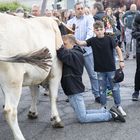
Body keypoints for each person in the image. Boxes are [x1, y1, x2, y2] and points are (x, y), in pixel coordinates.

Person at [57, 34, 125, 123]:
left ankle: (110, 115)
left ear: (73, 44)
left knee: (83, 118)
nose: (63, 46)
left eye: (65, 44)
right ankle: (104, 111)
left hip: (74, 90)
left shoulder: (75, 54)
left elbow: (62, 54)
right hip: (73, 89)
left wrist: (57, 43)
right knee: (83, 113)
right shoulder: (75, 52)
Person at [76, 21, 126, 116]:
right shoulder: (92, 40)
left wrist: (121, 60)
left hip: (111, 68)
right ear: (94, 31)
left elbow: (118, 49)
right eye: (97, 30)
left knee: (115, 88)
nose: (99, 31)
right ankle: (103, 106)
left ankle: (119, 106)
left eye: (101, 29)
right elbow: (81, 43)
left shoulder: (109, 39)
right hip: (99, 69)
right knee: (102, 89)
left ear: (104, 29)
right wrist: (73, 38)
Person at [67, 2, 100, 103]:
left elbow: (91, 33)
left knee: (93, 74)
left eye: (82, 8)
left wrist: (84, 44)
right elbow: (68, 37)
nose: (80, 10)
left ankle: (97, 94)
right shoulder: (70, 22)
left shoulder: (89, 19)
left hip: (87, 51)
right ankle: (76, 94)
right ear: (75, 10)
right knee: (76, 75)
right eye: (78, 9)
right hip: (75, 53)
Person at [131, 13, 140, 101]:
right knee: (139, 70)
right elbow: (133, 33)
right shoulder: (138, 17)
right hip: (139, 49)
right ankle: (136, 91)